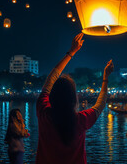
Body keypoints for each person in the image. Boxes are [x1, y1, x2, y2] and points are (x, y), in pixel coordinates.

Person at [35, 33, 114, 164]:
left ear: (52, 97)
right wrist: (105, 77)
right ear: (74, 99)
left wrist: (71, 52)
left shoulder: (43, 113)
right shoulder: (80, 120)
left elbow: (51, 79)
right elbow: (100, 105)